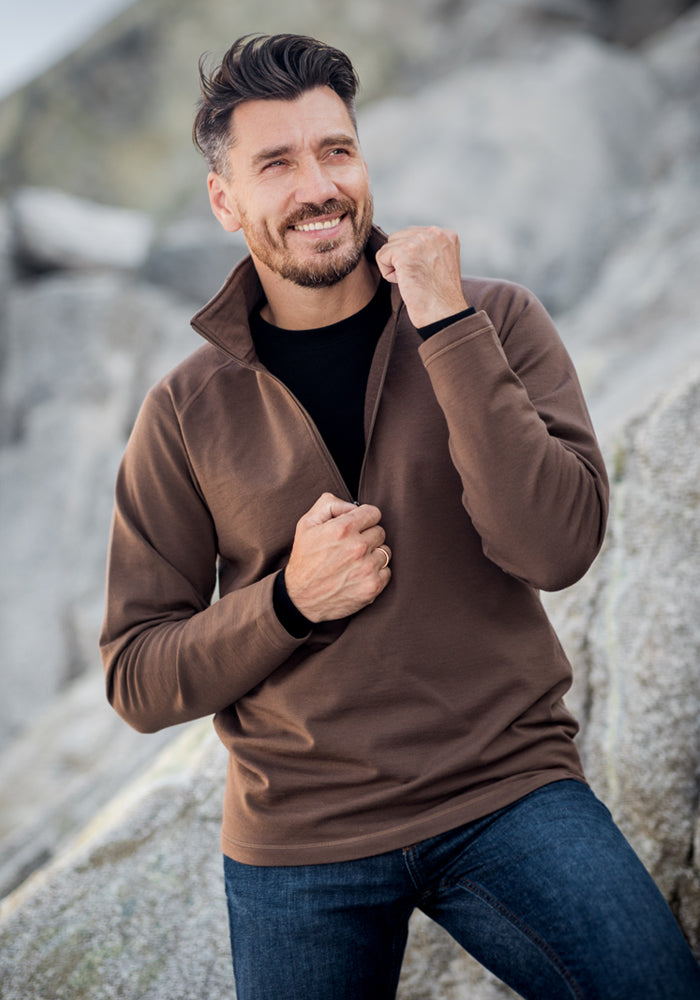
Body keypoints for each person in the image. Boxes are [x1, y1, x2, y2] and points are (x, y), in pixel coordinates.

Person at [100, 33, 700, 1000]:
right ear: (225, 202)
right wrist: (288, 601)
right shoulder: (184, 411)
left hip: (507, 788)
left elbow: (556, 548)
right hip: (299, 841)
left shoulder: (492, 316)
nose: (318, 186)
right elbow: (137, 676)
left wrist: (447, 325)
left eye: (336, 150)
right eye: (277, 164)